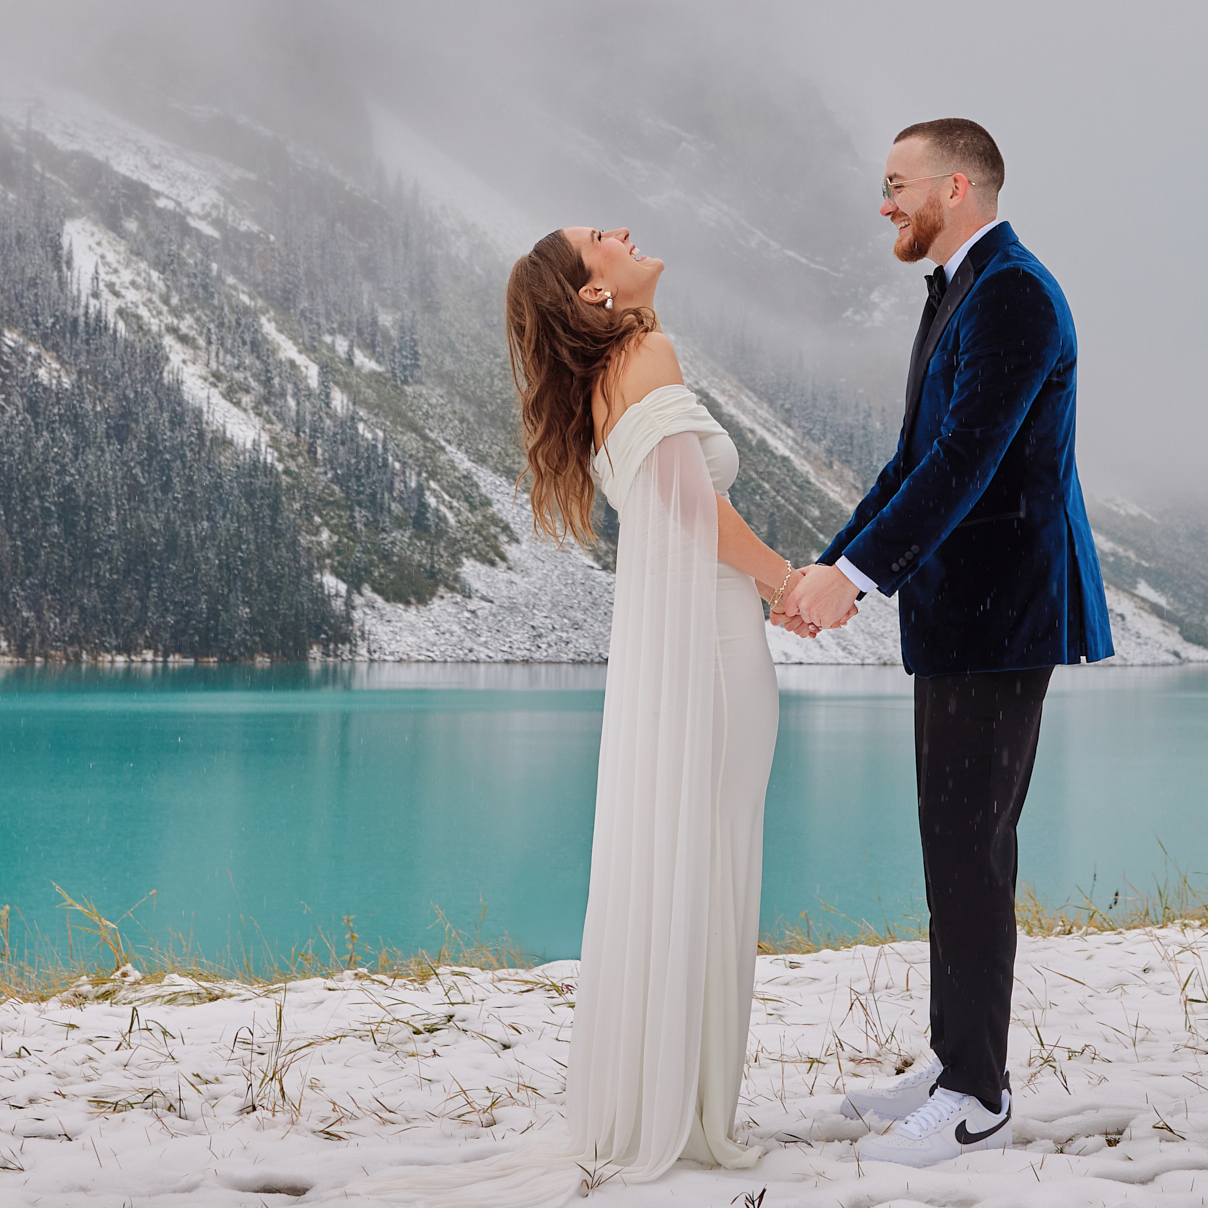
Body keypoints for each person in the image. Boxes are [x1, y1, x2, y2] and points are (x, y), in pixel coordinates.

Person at [352, 224, 829, 1204]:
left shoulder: (614, 374)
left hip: (689, 642)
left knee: (691, 852)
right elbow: (696, 511)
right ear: (594, 296)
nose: (618, 232)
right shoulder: (646, 354)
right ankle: (692, 1109)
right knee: (717, 849)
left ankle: (673, 1094)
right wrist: (790, 580)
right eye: (596, 240)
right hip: (715, 644)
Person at [780, 117, 1114, 1168]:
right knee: (950, 847)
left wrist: (857, 576)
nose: (883, 202)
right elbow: (909, 461)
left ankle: (978, 1093)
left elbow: (967, 460)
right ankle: (950, 1057)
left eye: (896, 183)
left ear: (955, 186)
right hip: (956, 618)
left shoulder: (1011, 291)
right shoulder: (955, 290)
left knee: (975, 850)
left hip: (1001, 614)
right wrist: (826, 568)